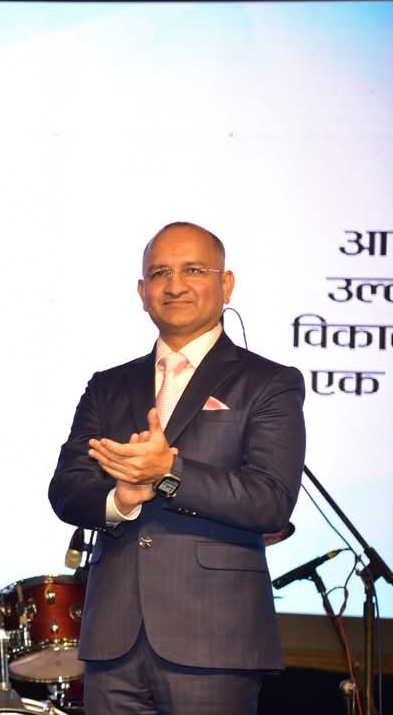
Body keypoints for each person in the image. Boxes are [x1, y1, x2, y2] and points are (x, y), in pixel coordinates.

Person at [48, 222, 306, 714]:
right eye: (160, 273)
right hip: (113, 640)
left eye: (194, 270)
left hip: (216, 639)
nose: (175, 285)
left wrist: (168, 472)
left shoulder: (269, 382)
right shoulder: (108, 385)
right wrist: (119, 499)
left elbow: (271, 501)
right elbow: (66, 489)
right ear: (142, 292)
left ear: (226, 284)